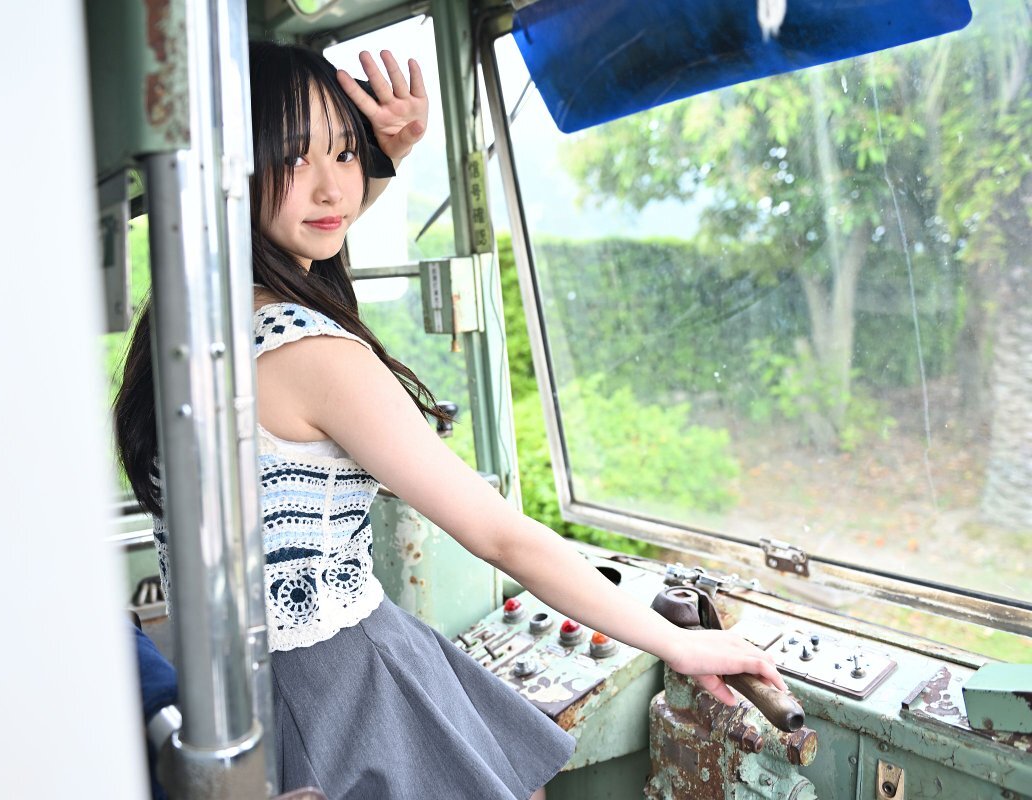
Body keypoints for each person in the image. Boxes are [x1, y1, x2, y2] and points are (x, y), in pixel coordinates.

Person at [115, 40, 786, 800]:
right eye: (295, 158)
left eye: (345, 153)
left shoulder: (192, 326)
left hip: (243, 694)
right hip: (345, 686)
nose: (334, 187)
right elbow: (502, 537)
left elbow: (306, 225)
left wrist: (384, 158)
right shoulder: (314, 355)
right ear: (234, 171)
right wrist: (677, 643)